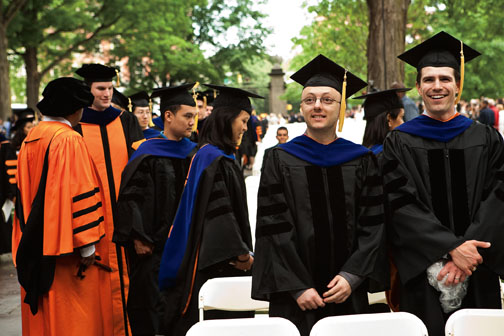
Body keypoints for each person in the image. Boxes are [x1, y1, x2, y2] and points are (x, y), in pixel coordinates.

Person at [252, 54, 386, 336]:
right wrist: (297, 286)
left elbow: (374, 224)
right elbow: (273, 229)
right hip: (295, 298)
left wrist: (352, 276)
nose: (318, 106)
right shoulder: (279, 159)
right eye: (310, 99)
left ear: (341, 107)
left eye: (327, 99)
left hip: (348, 292)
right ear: (301, 107)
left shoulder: (362, 160)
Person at [383, 31, 504, 336]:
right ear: (418, 87)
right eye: (429, 79)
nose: (437, 86)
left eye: (445, 79)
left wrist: (468, 255)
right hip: (424, 273)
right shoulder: (398, 142)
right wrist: (451, 248)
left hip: (478, 267)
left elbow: (498, 198)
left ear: (457, 85)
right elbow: (400, 205)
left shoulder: (486, 138)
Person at [158, 84, 263, 335]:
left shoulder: (208, 155)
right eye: (244, 120)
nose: (246, 128)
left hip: (210, 260)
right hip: (218, 267)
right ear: (228, 119)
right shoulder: (216, 160)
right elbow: (219, 216)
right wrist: (241, 256)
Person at [13, 78, 107, 335]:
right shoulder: (68, 139)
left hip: (34, 244)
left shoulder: (32, 138)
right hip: (65, 250)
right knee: (72, 320)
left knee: (44, 321)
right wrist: (88, 245)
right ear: (73, 109)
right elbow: (78, 192)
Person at [114, 84, 198, 336]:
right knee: (150, 308)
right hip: (153, 249)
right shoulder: (146, 153)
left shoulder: (194, 153)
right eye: (187, 116)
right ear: (168, 116)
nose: (192, 122)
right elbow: (131, 198)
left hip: (186, 248)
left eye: (194, 116)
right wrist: (139, 236)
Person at [74, 63, 144, 335]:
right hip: (95, 217)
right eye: (100, 88)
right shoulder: (77, 126)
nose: (106, 94)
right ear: (88, 90)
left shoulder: (125, 120)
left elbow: (139, 170)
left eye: (110, 88)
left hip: (126, 216)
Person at [357, 88, 408, 154]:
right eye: (401, 117)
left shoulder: (364, 153)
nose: (403, 123)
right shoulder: (390, 155)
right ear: (389, 119)